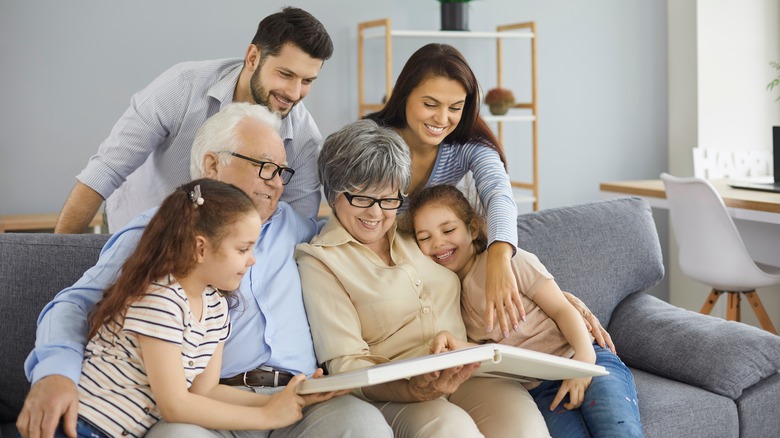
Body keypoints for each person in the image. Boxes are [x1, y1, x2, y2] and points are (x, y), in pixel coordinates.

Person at [18, 103, 392, 438]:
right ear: (213, 164)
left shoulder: (296, 230)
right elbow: (75, 303)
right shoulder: (162, 235)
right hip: (205, 409)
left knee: (363, 424)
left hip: (298, 398)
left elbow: (361, 233)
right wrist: (55, 372)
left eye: (282, 171)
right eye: (265, 168)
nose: (277, 183)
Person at [295, 119, 551, 438]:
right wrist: (412, 389)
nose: (376, 214)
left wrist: (561, 301)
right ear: (334, 194)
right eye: (361, 198)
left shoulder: (416, 230)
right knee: (451, 430)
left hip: (469, 368)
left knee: (524, 431)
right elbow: (347, 365)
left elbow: (481, 257)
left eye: (388, 199)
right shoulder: (320, 260)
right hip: (398, 391)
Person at [55, 6, 333, 234]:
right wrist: (55, 262)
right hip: (137, 228)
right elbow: (105, 171)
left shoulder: (304, 139)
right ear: (252, 58)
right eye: (285, 74)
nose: (294, 93)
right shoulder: (182, 87)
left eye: (307, 80)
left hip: (223, 256)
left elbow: (295, 229)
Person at [407, 184, 644, 437]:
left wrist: (584, 363)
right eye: (425, 238)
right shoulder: (451, 295)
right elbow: (495, 353)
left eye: (448, 230)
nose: (438, 243)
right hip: (540, 387)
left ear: (473, 228)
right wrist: (455, 345)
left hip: (582, 357)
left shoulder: (506, 262)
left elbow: (562, 309)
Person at [364, 43, 523, 339]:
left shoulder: (467, 146)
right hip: (378, 267)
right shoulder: (371, 139)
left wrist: (500, 257)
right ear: (405, 95)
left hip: (432, 268)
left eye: (455, 108)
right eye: (430, 104)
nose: (442, 119)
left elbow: (499, 194)